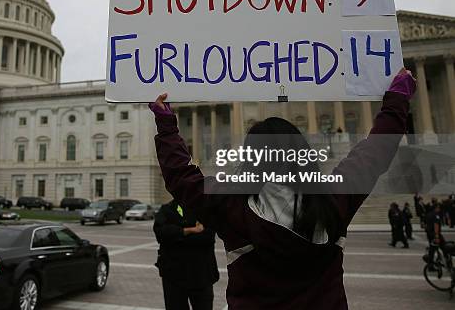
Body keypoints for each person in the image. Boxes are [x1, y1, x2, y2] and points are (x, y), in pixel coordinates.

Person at [149, 68, 415, 310]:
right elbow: (375, 153)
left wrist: (167, 126)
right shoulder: (334, 198)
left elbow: (182, 177)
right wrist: (397, 102)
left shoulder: (232, 206)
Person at [153, 200, 219, 310]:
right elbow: (161, 233)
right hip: (173, 275)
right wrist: (190, 230)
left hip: (201, 275)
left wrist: (176, 237)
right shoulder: (167, 208)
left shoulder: (204, 209)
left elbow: (207, 236)